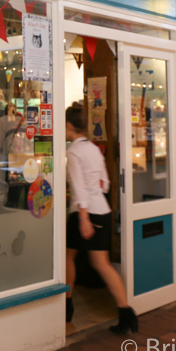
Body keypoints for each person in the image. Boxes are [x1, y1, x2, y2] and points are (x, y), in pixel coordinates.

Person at [65, 104, 137, 334]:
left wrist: (84, 217)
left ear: (69, 126)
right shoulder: (94, 150)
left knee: (68, 256)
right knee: (101, 264)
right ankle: (126, 312)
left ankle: (66, 306)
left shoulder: (74, 152)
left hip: (85, 213)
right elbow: (104, 183)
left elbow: (78, 188)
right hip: (103, 211)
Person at [0, 103, 23, 181]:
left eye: (14, 111)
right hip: (4, 155)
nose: (12, 114)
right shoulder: (2, 122)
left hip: (11, 155)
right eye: (11, 111)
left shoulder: (16, 122)